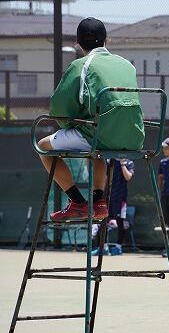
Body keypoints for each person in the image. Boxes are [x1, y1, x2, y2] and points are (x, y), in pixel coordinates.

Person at [37, 17, 144, 222]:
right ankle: (99, 201)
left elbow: (59, 108)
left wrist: (69, 124)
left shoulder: (80, 65)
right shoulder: (127, 65)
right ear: (106, 40)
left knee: (43, 146)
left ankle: (77, 202)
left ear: (78, 43)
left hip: (98, 135)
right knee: (97, 150)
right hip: (134, 138)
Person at [107, 158, 134, 255]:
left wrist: (122, 164)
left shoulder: (129, 162)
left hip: (121, 197)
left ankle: (118, 248)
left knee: (120, 222)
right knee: (103, 221)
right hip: (108, 196)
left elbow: (128, 177)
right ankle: (104, 248)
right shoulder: (109, 161)